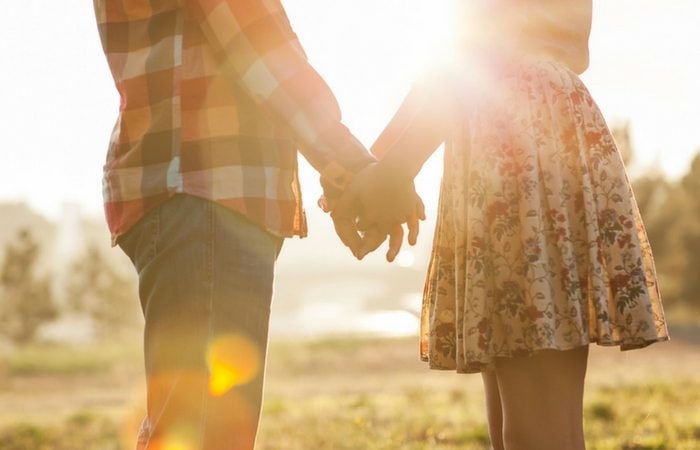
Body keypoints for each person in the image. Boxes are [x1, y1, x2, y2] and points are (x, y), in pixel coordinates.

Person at [339, 1, 670, 448]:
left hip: (520, 132)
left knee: (538, 426)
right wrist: (374, 169)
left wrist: (392, 170)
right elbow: (453, 58)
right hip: (505, 129)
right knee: (524, 420)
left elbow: (482, 49)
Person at [92, 1, 417, 448]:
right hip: (205, 187)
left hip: (189, 189)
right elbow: (263, 55)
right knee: (208, 431)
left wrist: (343, 174)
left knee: (187, 423)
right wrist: (353, 169)